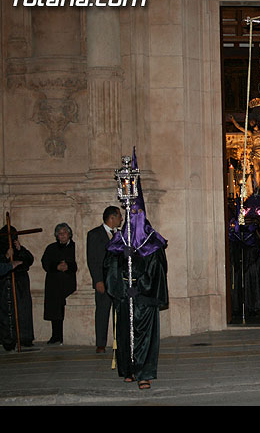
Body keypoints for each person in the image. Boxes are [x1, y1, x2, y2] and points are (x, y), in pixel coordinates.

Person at [103, 150, 168, 390]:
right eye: (132, 214)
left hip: (144, 298)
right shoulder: (119, 241)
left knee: (145, 337)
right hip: (125, 296)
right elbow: (108, 267)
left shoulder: (151, 242)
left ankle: (144, 373)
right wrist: (121, 287)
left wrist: (140, 289)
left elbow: (159, 270)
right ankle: (129, 368)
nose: (135, 218)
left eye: (138, 214)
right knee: (125, 333)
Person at [86, 205, 122, 353]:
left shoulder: (120, 235)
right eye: (119, 216)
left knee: (118, 312)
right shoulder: (94, 234)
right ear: (111, 218)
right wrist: (97, 280)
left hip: (118, 281)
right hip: (103, 281)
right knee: (102, 311)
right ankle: (100, 343)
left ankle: (118, 342)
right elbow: (92, 259)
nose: (121, 219)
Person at [41, 223, 77, 345]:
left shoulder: (75, 247)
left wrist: (68, 266)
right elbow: (45, 262)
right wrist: (56, 266)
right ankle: (56, 335)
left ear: (69, 234)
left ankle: (63, 336)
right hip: (54, 283)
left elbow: (78, 262)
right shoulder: (51, 248)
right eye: (60, 234)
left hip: (68, 282)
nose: (62, 236)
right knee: (54, 310)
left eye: (64, 233)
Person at [0, 224, 35, 350]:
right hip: (5, 285)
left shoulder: (18, 247)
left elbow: (29, 260)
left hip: (20, 285)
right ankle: (8, 340)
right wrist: (6, 257)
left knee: (23, 311)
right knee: (7, 313)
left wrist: (20, 250)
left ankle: (25, 338)